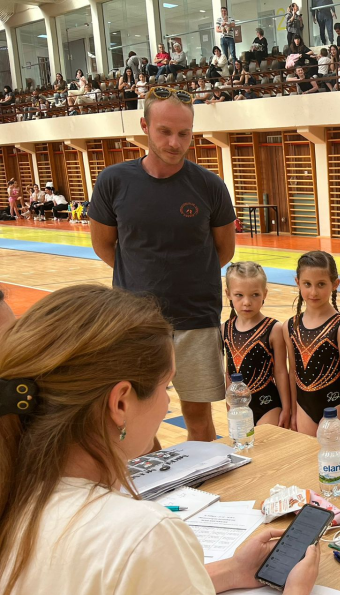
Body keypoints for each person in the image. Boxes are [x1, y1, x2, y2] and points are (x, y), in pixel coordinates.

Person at [0, 284, 320, 595]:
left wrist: (229, 571)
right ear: (120, 402)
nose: (168, 401)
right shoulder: (137, 535)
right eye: (167, 387)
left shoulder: (17, 495)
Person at [88, 87, 237, 444]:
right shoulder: (113, 181)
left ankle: (200, 494)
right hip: (135, 324)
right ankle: (151, 496)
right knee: (135, 420)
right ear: (144, 126)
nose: (175, 142)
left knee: (198, 418)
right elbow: (104, 245)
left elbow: (224, 250)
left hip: (195, 320)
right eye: (164, 132)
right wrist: (141, 279)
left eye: (184, 133)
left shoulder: (209, 185)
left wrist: (184, 279)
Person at [282, 251, 340, 437]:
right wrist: (293, 410)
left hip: (335, 405)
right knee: (309, 461)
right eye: (307, 284)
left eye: (321, 284)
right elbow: (293, 372)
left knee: (333, 461)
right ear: (297, 282)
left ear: (335, 284)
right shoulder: (290, 326)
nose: (313, 292)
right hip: (304, 406)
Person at [223, 262, 291, 428]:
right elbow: (228, 371)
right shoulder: (225, 328)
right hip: (239, 406)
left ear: (264, 294)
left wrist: (287, 407)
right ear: (228, 294)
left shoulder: (273, 328)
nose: (247, 302)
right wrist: (229, 401)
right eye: (239, 295)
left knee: (267, 450)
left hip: (268, 404)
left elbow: (281, 371)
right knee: (245, 449)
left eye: (254, 295)